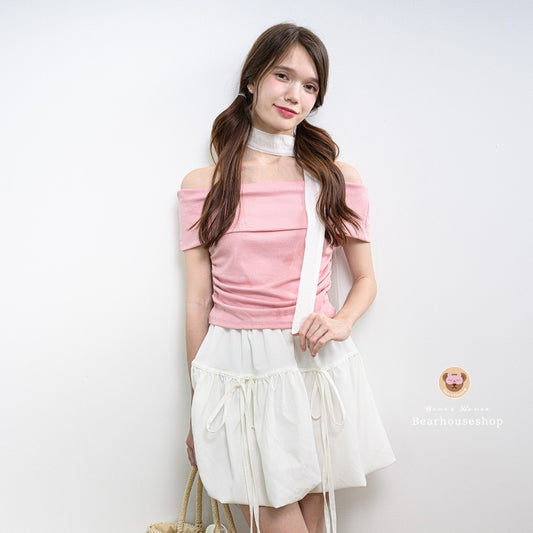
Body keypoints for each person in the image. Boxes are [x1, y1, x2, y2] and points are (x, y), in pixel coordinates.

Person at [177, 23, 396, 533]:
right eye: (283, 75)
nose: (295, 94)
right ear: (253, 79)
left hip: (311, 367)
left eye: (310, 85)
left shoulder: (335, 178)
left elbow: (365, 279)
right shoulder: (203, 185)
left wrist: (341, 322)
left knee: (313, 524)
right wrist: (198, 403)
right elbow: (197, 302)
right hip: (237, 374)